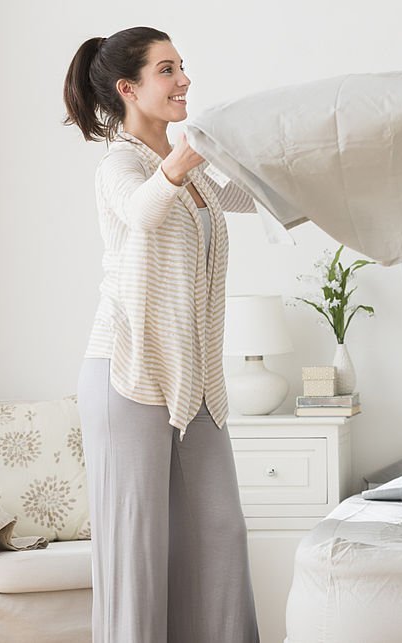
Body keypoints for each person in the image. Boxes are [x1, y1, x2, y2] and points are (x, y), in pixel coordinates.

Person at [62, 26, 260, 643]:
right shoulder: (120, 165)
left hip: (195, 381)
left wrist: (276, 150)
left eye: (182, 67)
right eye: (168, 70)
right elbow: (145, 209)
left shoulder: (192, 174)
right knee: (136, 547)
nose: (184, 81)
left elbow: (253, 198)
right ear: (130, 88)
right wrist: (186, 155)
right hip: (128, 373)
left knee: (220, 531)